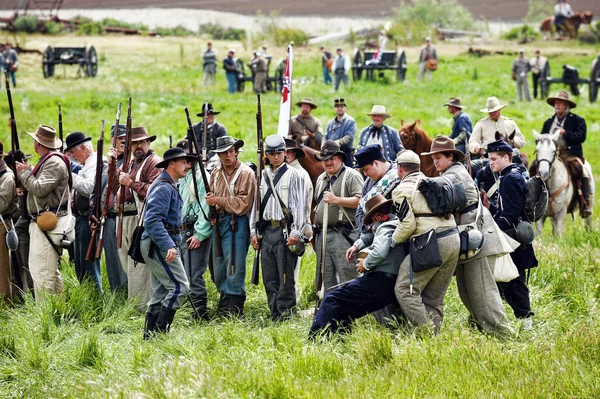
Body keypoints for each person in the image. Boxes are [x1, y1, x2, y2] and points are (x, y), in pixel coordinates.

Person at [422, 136, 511, 334]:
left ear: (450, 157)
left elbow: (438, 192)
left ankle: (504, 335)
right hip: (468, 238)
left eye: (439, 157)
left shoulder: (453, 174)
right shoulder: (450, 172)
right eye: (433, 158)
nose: (435, 161)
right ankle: (487, 333)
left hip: (477, 237)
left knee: (482, 292)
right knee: (467, 292)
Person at [309, 194, 404, 338]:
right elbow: (371, 234)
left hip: (382, 280)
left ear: (377, 217)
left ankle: (315, 339)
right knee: (343, 303)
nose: (371, 224)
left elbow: (379, 252)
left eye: (372, 219)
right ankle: (338, 337)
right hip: (385, 280)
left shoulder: (386, 227)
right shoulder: (389, 223)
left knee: (332, 298)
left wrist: (365, 265)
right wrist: (356, 245)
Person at [391, 150, 460, 333]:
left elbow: (407, 225)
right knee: (434, 297)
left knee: (405, 289)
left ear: (399, 169)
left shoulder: (401, 190)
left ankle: (427, 333)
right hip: (454, 239)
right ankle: (434, 339)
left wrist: (392, 241)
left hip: (431, 242)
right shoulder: (431, 182)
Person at [250, 135, 306, 321]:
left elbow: (300, 206)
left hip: (285, 231)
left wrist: (296, 232)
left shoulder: (294, 175)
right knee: (269, 276)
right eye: (272, 153)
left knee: (285, 277)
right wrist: (253, 231)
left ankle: (286, 314)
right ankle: (274, 312)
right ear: (267, 154)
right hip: (266, 231)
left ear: (285, 153)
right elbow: (255, 206)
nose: (276, 157)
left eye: (279, 152)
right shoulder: (262, 176)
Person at [483, 139, 536, 331]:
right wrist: (491, 207)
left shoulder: (510, 178)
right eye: (489, 159)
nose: (491, 163)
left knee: (513, 280)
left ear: (506, 157)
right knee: (504, 280)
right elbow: (508, 210)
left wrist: (493, 229)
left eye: (494, 159)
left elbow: (511, 215)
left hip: (511, 238)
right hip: (511, 236)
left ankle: (525, 320)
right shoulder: (509, 175)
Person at [107, 127, 162, 312]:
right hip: (124, 217)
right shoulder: (130, 163)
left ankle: (142, 308)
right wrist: (112, 165)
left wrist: (131, 183)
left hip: (138, 218)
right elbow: (115, 189)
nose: (138, 146)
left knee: (139, 265)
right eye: (134, 143)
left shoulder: (153, 162)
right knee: (128, 265)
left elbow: (154, 191)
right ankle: (137, 304)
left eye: (141, 142)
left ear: (148, 143)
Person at [141, 147, 194, 339]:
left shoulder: (168, 184)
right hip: (160, 243)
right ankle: (160, 333)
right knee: (180, 287)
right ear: (171, 164)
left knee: (161, 290)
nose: (188, 166)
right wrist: (168, 245)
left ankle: (150, 337)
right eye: (183, 162)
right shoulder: (164, 187)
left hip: (160, 242)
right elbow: (152, 220)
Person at [15, 125, 72, 297]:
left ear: (39, 143)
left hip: (49, 222)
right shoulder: (48, 160)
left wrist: (24, 174)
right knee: (48, 271)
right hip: (44, 220)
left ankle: (46, 315)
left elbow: (40, 189)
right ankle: (58, 310)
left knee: (42, 273)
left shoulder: (53, 162)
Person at [207, 136, 256, 316]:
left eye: (230, 151)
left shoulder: (245, 173)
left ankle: (234, 305)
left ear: (236, 152)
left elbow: (243, 203)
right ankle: (225, 298)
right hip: (219, 222)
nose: (228, 155)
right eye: (224, 152)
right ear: (219, 155)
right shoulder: (215, 173)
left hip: (237, 223)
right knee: (218, 266)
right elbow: (210, 199)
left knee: (235, 264)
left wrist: (218, 201)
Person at [313, 141, 363, 292]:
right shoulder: (321, 179)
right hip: (323, 235)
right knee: (325, 277)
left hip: (344, 234)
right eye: (325, 159)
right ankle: (329, 312)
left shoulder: (352, 176)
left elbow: (362, 201)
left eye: (332, 158)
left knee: (347, 278)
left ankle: (349, 314)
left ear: (340, 159)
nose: (328, 162)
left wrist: (337, 200)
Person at [64, 131, 106, 292]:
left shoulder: (97, 162)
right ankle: (88, 299)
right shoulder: (88, 163)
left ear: (83, 148)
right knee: (81, 264)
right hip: (81, 218)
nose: (72, 156)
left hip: (90, 219)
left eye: (73, 152)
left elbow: (90, 189)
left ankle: (94, 301)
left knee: (88, 266)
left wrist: (68, 175)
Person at [175, 139, 212, 321]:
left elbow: (206, 208)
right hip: (182, 230)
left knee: (194, 274)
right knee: (184, 273)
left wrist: (200, 234)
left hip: (194, 231)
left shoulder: (201, 177)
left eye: (187, 159)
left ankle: (200, 313)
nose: (186, 163)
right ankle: (189, 312)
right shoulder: (184, 178)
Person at [540, 91, 591, 217]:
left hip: (570, 154)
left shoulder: (578, 120)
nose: (557, 105)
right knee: (535, 168)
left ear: (566, 105)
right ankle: (534, 202)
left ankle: (584, 203)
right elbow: (542, 138)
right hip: (551, 156)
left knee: (581, 170)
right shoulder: (548, 122)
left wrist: (565, 132)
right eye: (556, 102)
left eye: (560, 102)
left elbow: (581, 137)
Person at [101, 124, 128, 292]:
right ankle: (117, 295)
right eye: (119, 138)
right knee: (112, 260)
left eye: (126, 138)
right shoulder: (108, 162)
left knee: (125, 262)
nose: (123, 141)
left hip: (124, 216)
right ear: (112, 140)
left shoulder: (131, 161)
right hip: (109, 217)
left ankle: (128, 296)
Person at [0, 140, 17, 300]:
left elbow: (2, 205)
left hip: (1, 225)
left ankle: (5, 305)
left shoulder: (7, 177)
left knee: (2, 269)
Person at [192, 102, 228, 171]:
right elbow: (188, 142)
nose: (211, 116)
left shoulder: (220, 128)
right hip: (197, 156)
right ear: (203, 116)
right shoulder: (195, 128)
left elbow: (223, 146)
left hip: (215, 156)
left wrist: (208, 155)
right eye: (208, 115)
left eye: (212, 114)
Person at [325, 98, 357, 166]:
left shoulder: (350, 121)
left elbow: (349, 137)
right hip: (331, 154)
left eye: (342, 107)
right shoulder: (330, 123)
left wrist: (337, 142)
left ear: (345, 108)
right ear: (334, 108)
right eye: (337, 107)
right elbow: (326, 136)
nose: (339, 108)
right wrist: (323, 144)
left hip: (345, 154)